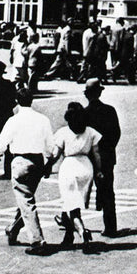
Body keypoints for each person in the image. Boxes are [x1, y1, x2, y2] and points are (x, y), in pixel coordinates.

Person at [0, 90, 56, 255]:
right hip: (37, 161)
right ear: (31, 100)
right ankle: (13, 229)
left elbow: (2, 141)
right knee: (26, 199)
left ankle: (37, 240)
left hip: (20, 161)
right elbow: (50, 146)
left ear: (17, 101)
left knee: (26, 201)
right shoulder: (42, 119)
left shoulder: (14, 120)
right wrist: (49, 162)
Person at [49, 102, 102, 253]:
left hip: (69, 168)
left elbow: (56, 154)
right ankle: (68, 236)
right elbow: (96, 154)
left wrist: (47, 166)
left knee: (72, 207)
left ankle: (82, 232)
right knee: (73, 204)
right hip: (86, 168)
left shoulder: (63, 132)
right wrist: (99, 171)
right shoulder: (90, 132)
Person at [83, 79, 122, 236]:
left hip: (89, 157)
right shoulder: (110, 110)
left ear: (87, 94)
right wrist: (108, 149)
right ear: (99, 93)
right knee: (108, 191)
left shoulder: (84, 113)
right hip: (107, 156)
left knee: (78, 189)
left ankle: (68, 220)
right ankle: (110, 226)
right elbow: (116, 133)